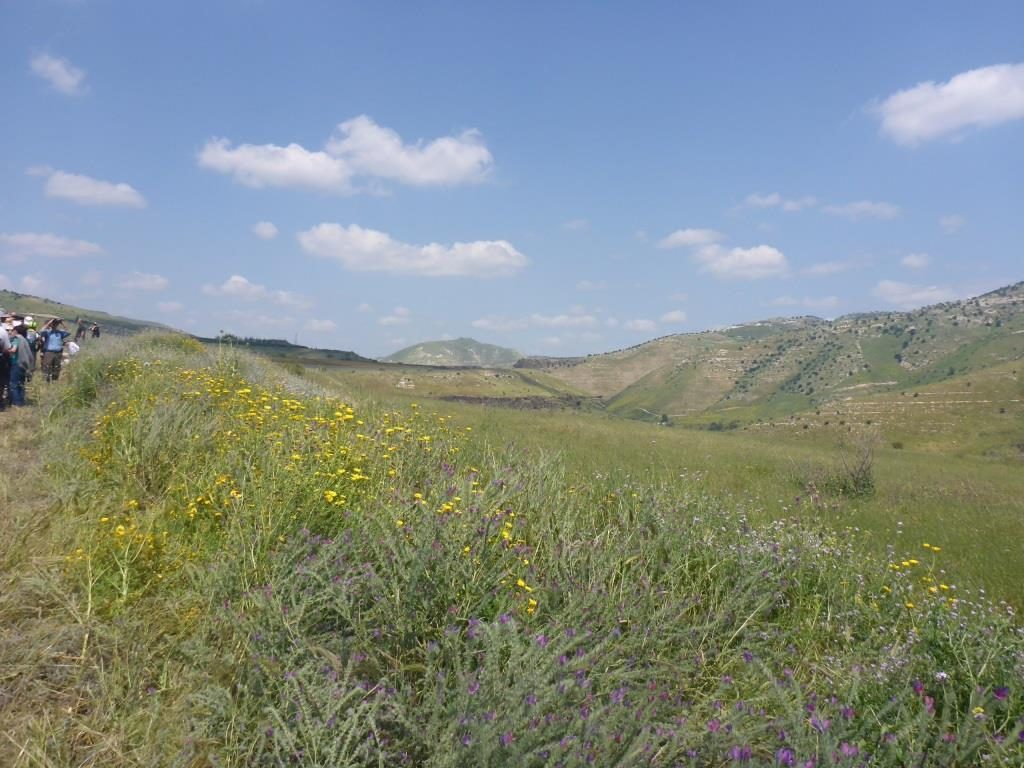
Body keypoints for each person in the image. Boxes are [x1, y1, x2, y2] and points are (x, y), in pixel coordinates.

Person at [8, 321, 34, 406]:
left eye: (12, 330)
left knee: (14, 384)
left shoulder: (16, 338)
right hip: (24, 365)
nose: (11, 332)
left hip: (16, 364)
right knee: (21, 384)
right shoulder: (25, 340)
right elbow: (30, 356)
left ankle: (16, 403)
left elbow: (13, 350)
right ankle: (21, 401)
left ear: (16, 331)